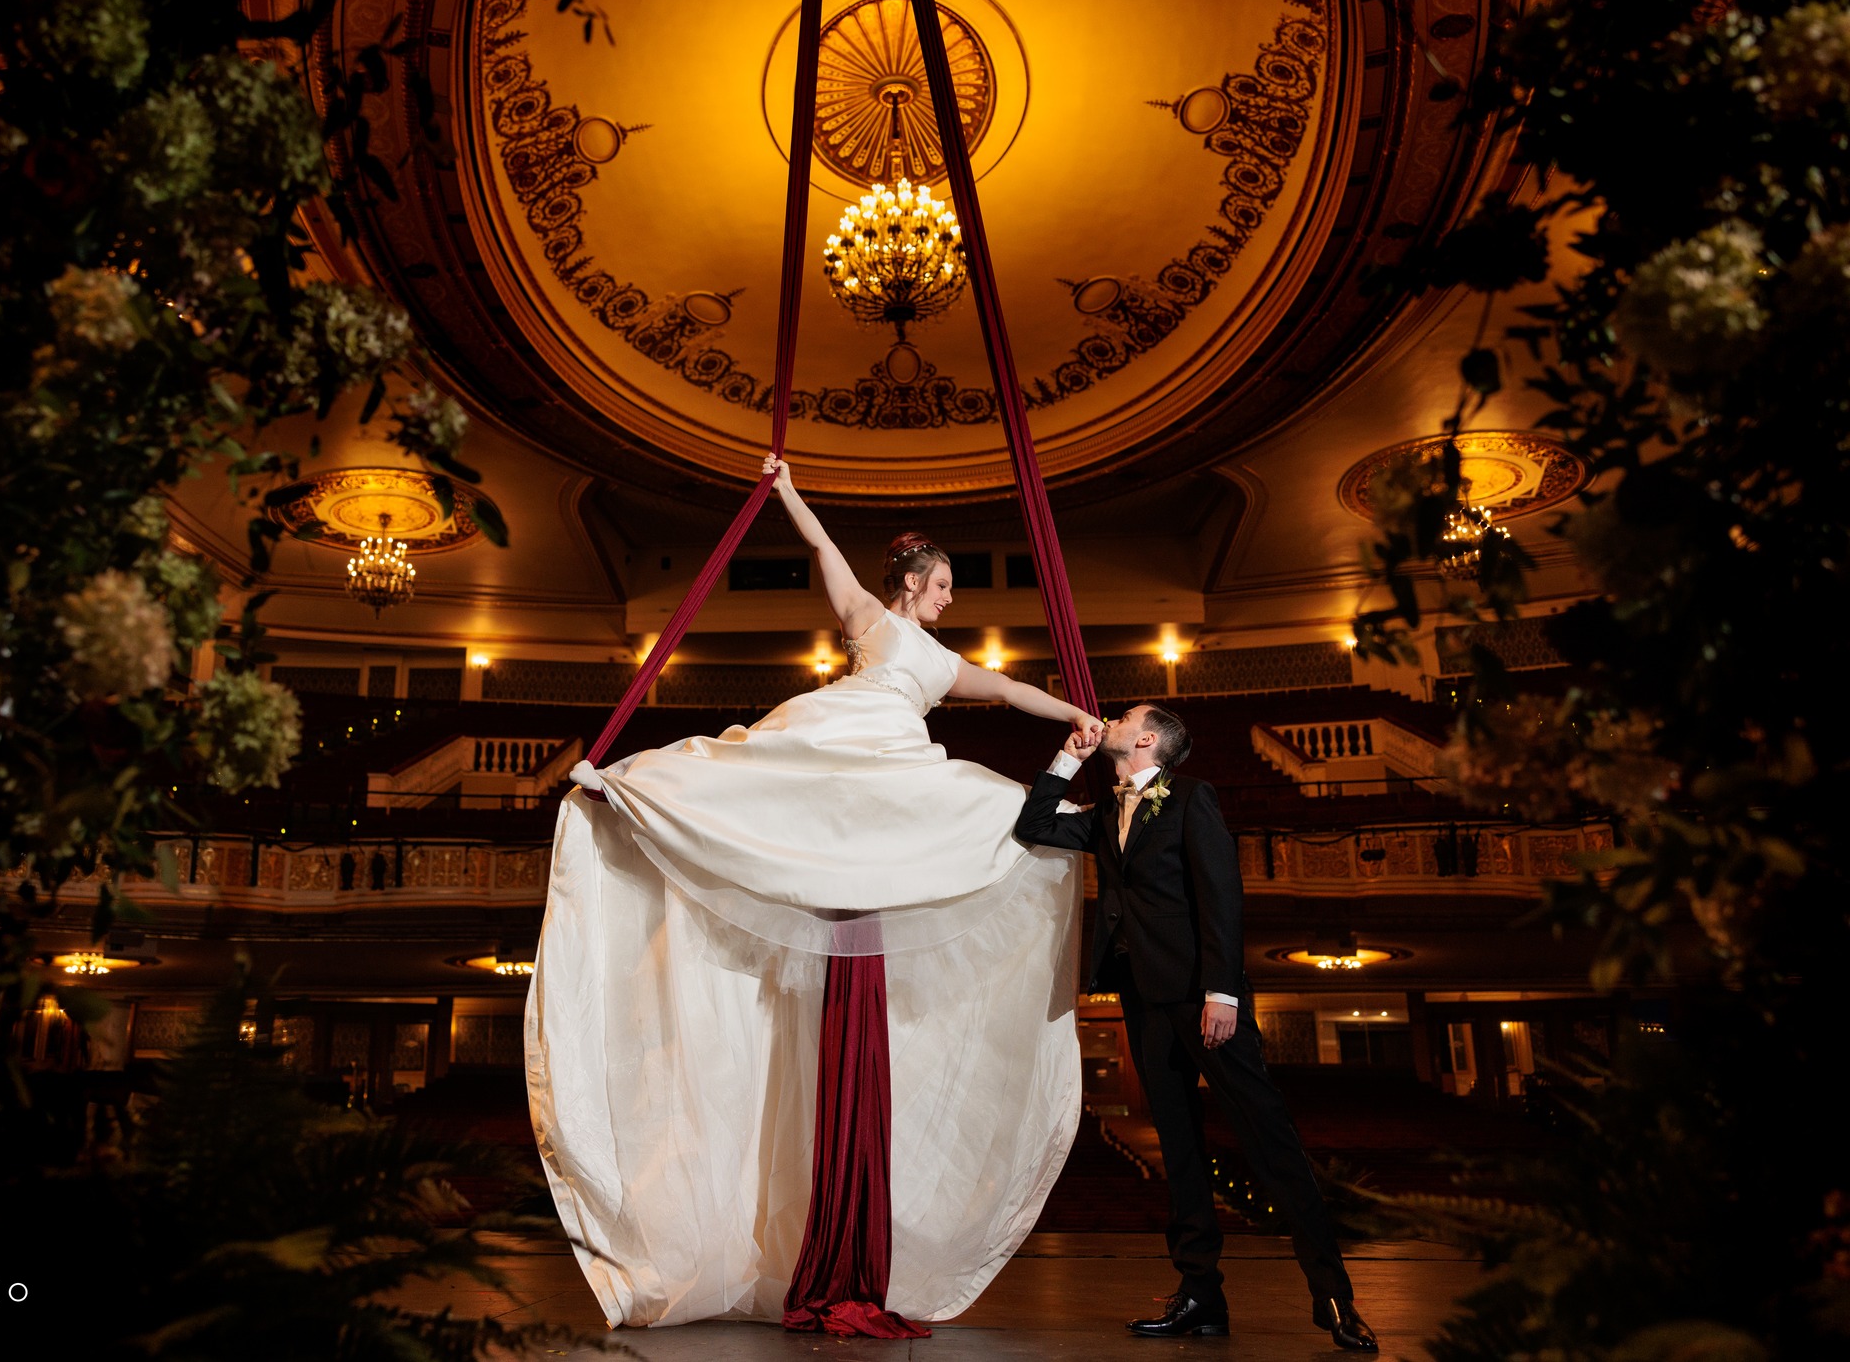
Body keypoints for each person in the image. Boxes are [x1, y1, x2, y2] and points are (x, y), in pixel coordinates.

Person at [529, 456, 1102, 1336]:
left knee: (994, 805)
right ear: (912, 584)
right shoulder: (872, 620)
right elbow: (823, 546)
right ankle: (625, 792)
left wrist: (1071, 718)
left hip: (894, 770)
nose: (951, 598)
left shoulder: (943, 665)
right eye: (943, 585)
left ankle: (893, 867)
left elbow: (1012, 687)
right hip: (830, 745)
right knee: (729, 771)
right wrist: (785, 486)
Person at [1014, 706, 1380, 1352]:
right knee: (1178, 1148)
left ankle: (1334, 1297)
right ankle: (1200, 1297)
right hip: (1143, 997)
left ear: (1148, 739)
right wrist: (1069, 754)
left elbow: (1221, 896)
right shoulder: (1105, 812)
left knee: (1270, 1141)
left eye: (1125, 717)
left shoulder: (1191, 799)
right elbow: (1035, 823)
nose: (1113, 718)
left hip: (1205, 998)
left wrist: (1221, 992)